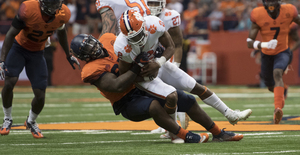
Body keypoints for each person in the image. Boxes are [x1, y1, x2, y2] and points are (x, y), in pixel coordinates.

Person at [70, 33, 244, 143]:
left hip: (141, 84)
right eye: (89, 49)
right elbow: (116, 85)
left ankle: (218, 133)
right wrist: (137, 67)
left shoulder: (108, 39)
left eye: (92, 43)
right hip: (125, 101)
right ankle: (183, 135)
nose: (95, 48)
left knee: (187, 100)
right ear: (84, 56)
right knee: (154, 105)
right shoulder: (90, 70)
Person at [114, 10, 252, 142]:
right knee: (172, 95)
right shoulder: (122, 46)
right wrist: (144, 75)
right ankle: (174, 132)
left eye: (138, 35)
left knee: (193, 85)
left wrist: (158, 63)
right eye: (133, 38)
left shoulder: (154, 24)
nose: (138, 40)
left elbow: (170, 46)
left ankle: (229, 114)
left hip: (159, 63)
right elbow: (126, 75)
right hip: (144, 76)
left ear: (144, 26)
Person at [0, 0, 80, 138]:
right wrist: (2, 60)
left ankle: (30, 121)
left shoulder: (63, 13)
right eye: (51, 3)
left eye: (57, 3)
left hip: (37, 52)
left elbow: (62, 33)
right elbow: (10, 35)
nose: (55, 7)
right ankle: (7, 118)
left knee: (40, 94)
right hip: (19, 48)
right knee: (10, 82)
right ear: (42, 2)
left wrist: (68, 55)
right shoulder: (28, 10)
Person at [247, 0, 300, 124]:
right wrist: (263, 45)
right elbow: (249, 42)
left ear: (279, 1)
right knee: (270, 85)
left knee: (277, 73)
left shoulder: (289, 11)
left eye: (273, 1)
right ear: (264, 2)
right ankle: (284, 89)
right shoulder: (258, 14)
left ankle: (277, 109)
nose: (270, 5)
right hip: (266, 53)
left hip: (283, 51)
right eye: (268, 1)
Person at [145, 0, 188, 133]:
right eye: (150, 3)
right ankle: (166, 125)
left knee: (170, 91)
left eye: (156, 3)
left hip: (165, 55)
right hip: (151, 56)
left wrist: (176, 64)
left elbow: (177, 44)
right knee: (157, 92)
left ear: (163, 4)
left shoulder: (171, 16)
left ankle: (174, 123)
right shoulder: (140, 15)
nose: (153, 7)